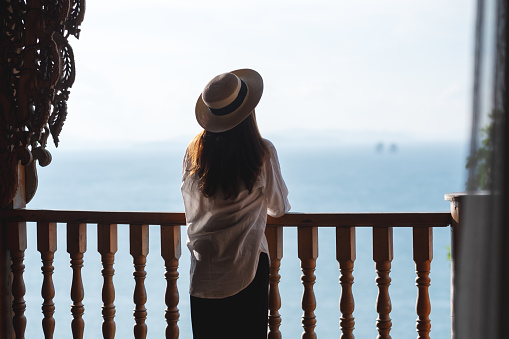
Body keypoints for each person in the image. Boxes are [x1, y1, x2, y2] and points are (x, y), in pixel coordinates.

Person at [181, 68, 291, 339]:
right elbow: (278, 207)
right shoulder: (261, 152)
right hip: (246, 268)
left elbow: (191, 208)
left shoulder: (195, 154)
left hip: (204, 271)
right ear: (248, 112)